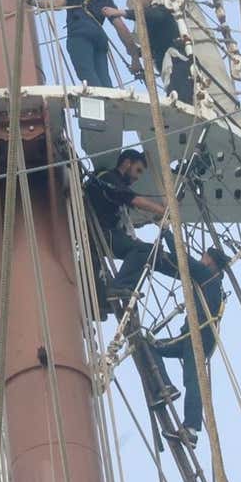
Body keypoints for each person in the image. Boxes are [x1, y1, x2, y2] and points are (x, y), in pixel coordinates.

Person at [152, 242, 229, 448]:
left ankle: (191, 429)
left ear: (210, 261)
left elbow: (182, 258)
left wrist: (168, 230)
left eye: (204, 256)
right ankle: (166, 386)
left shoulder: (207, 275)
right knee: (150, 347)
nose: (201, 259)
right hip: (191, 337)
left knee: (192, 380)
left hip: (198, 337)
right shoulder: (214, 282)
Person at [83, 149, 178, 303]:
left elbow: (126, 228)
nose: (137, 177)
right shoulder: (107, 177)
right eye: (137, 170)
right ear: (127, 163)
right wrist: (165, 210)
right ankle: (120, 286)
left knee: (148, 251)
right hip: (99, 233)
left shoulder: (115, 185)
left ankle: (110, 298)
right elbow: (134, 199)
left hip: (106, 235)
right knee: (143, 250)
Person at [31, 0, 138, 88]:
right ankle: (109, 104)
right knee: (104, 79)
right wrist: (134, 57)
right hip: (100, 38)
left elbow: (59, 3)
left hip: (80, 33)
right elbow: (120, 26)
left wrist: (32, 1)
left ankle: (98, 103)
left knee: (87, 75)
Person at [102, 0, 194, 104]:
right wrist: (136, 54)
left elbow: (153, 15)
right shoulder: (146, 26)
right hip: (168, 67)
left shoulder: (161, 10)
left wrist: (120, 12)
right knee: (175, 96)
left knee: (180, 100)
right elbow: (152, 47)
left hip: (178, 63)